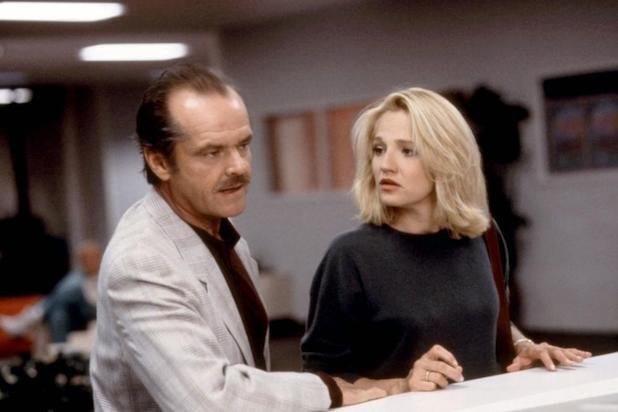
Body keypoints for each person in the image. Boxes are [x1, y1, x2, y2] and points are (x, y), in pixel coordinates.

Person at [90, 63, 394, 412]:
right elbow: (210, 400)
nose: (239, 166)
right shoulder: (142, 261)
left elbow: (246, 372)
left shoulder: (223, 234)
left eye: (243, 145)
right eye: (212, 152)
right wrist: (330, 391)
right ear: (159, 162)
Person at [301, 87, 591, 392]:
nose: (385, 165)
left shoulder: (484, 235)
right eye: (379, 149)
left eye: (407, 151)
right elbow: (320, 377)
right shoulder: (350, 256)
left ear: (447, 158)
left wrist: (524, 346)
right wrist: (402, 385)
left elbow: (490, 322)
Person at [0, 240, 100, 343]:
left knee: (73, 288)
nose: (88, 262)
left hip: (94, 311)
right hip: (75, 315)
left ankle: (30, 317)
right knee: (58, 313)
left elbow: (96, 301)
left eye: (91, 258)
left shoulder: (102, 277)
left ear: (99, 258)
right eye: (84, 259)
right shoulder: (77, 277)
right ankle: (59, 349)